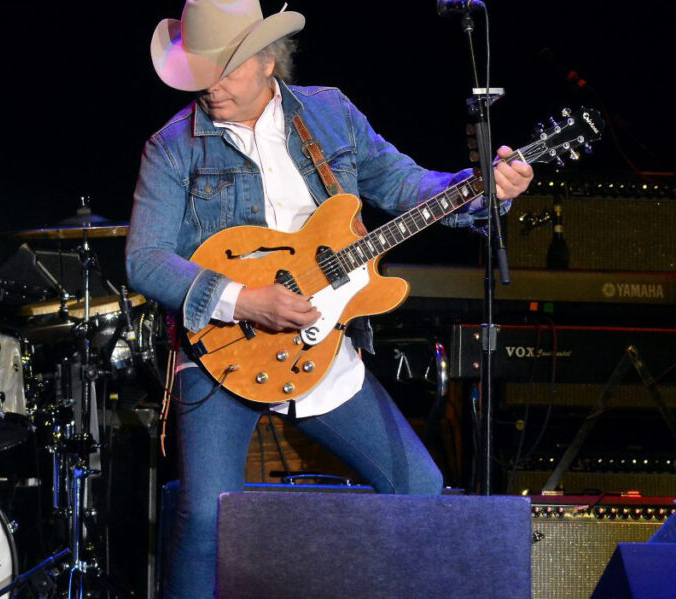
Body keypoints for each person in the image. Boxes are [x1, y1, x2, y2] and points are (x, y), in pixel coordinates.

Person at [124, 2, 534, 598]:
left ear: (268, 61)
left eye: (226, 69)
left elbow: (404, 185)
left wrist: (482, 191)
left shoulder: (329, 113)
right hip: (222, 349)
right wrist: (243, 301)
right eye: (201, 72)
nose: (210, 87)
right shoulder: (171, 145)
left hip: (325, 341)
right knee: (207, 518)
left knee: (419, 489)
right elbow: (145, 258)